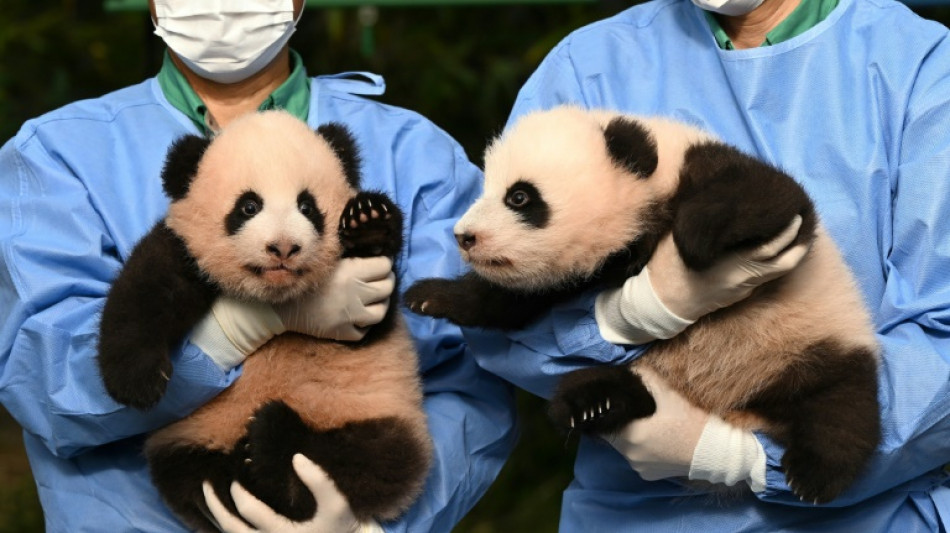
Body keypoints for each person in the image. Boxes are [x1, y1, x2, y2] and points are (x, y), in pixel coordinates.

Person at [0, 1, 517, 531]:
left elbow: (477, 378)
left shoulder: (415, 154)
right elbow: (46, 388)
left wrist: (377, 527)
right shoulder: (58, 157)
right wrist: (232, 331)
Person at [469, 0, 950, 530]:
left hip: (869, 513)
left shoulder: (919, 66)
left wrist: (737, 456)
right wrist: (632, 313)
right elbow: (495, 310)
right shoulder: (589, 68)